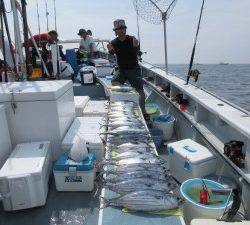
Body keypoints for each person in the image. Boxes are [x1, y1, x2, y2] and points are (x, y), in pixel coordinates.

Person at [107, 19, 148, 119]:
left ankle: (143, 111)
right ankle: (126, 100)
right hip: (121, 69)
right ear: (115, 31)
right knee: (114, 82)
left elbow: (137, 53)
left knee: (140, 91)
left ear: (125, 29)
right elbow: (111, 58)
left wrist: (136, 46)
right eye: (118, 29)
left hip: (134, 68)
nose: (121, 30)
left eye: (123, 28)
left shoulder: (131, 39)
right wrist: (110, 50)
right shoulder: (114, 42)